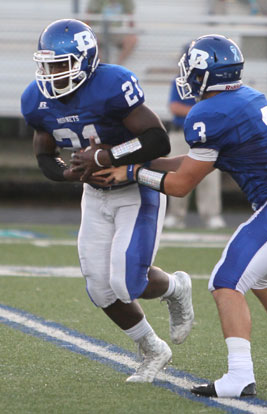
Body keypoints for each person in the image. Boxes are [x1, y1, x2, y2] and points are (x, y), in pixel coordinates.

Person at [97, 34, 267, 397]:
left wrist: (131, 173)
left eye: (191, 67)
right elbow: (193, 163)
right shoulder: (245, 97)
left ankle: (239, 376)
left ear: (206, 73)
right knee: (259, 280)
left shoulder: (208, 113)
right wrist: (137, 161)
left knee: (225, 282)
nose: (186, 73)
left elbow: (181, 185)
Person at [20, 18, 194, 383]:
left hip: (136, 187)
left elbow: (157, 140)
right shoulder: (36, 99)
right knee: (99, 286)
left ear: (85, 61)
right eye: (46, 64)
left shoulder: (112, 84)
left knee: (127, 282)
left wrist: (107, 156)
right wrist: (69, 173)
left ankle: (176, 287)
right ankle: (151, 348)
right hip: (95, 195)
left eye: (60, 65)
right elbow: (44, 157)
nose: (51, 74)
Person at [164, 76, 225, 230]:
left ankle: (212, 215)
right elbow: (175, 107)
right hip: (181, 132)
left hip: (207, 135)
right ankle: (175, 214)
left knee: (209, 175)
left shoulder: (215, 85)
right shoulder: (179, 82)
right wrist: (200, 111)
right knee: (176, 172)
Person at [87, 0, 137, 65]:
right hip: (99, 31)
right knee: (91, 40)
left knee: (132, 39)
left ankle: (118, 65)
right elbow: (88, 16)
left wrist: (132, 31)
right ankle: (102, 66)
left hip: (117, 31)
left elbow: (130, 18)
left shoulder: (126, 2)